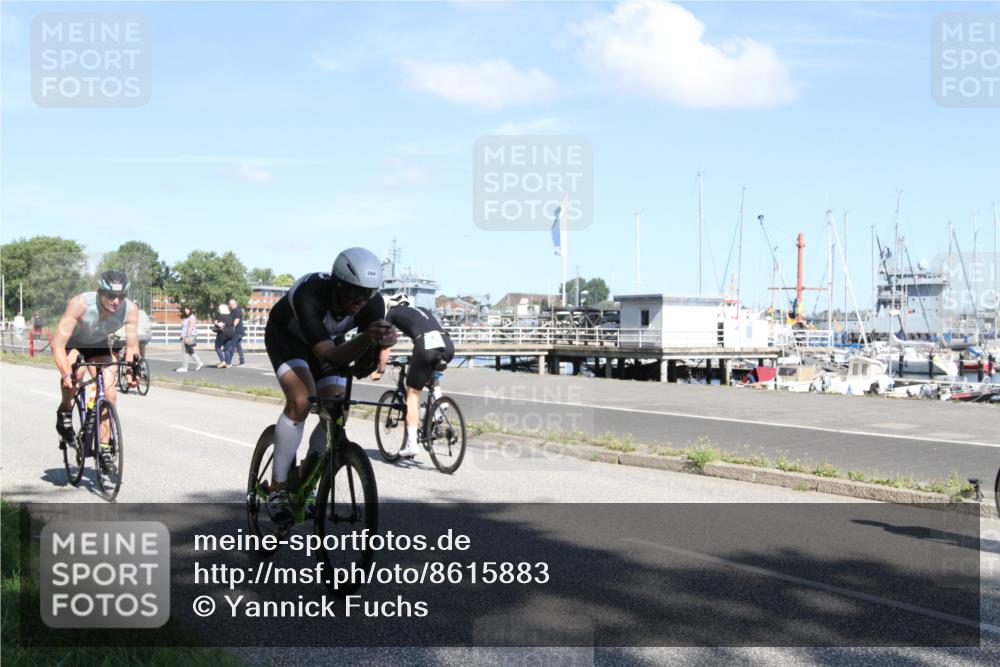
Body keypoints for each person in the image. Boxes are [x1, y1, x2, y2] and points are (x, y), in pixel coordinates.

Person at [263, 247, 396, 528]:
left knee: (336, 412)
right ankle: (277, 488)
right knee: (300, 401)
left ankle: (306, 480)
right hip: (288, 338)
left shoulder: (373, 305)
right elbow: (328, 356)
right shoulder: (310, 293)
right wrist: (367, 339)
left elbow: (359, 366)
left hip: (329, 343)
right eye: (352, 293)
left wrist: (382, 342)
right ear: (337, 284)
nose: (360, 301)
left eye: (367, 294)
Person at [52, 270, 139, 467]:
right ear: (99, 292)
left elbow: (132, 345)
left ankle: (105, 447)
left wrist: (130, 370)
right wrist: (66, 373)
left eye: (120, 296)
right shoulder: (80, 304)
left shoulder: (130, 309)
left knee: (109, 391)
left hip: (98, 343)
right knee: (75, 377)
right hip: (74, 342)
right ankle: (65, 412)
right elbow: (57, 344)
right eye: (110, 295)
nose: (116, 301)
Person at [362, 293, 454, 459]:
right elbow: (424, 334)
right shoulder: (422, 309)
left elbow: (385, 345)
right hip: (447, 344)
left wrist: (381, 370)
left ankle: (412, 444)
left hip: (425, 346)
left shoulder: (392, 314)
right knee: (430, 373)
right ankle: (439, 403)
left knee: (412, 395)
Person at [176, 305, 204, 372]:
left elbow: (190, 327)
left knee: (184, 351)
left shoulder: (191, 317)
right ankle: (199, 363)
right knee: (190, 351)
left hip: (189, 336)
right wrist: (182, 335)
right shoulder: (186, 317)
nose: (186, 310)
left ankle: (184, 367)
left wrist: (187, 337)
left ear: (190, 310)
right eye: (185, 309)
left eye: (187, 309)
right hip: (185, 336)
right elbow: (184, 328)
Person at [213, 303, 234, 368]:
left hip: (223, 333)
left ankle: (223, 361)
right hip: (231, 333)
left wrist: (216, 323)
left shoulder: (221, 316)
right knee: (226, 349)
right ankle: (228, 363)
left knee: (217, 347)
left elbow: (220, 325)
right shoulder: (231, 316)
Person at [227, 297, 246, 367]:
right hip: (236, 332)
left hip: (238, 332)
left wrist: (231, 328)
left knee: (232, 346)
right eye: (229, 304)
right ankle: (242, 362)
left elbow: (236, 321)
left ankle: (228, 362)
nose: (229, 305)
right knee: (238, 347)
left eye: (230, 304)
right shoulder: (232, 311)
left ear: (233, 304)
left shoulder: (237, 311)